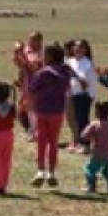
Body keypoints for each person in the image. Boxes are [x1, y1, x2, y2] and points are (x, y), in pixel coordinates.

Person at [25, 43, 72, 188]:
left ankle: (40, 170)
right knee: (53, 142)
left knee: (41, 141)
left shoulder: (43, 72)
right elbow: (67, 88)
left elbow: (32, 88)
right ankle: (51, 171)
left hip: (42, 110)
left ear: (50, 56)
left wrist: (31, 71)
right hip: (57, 111)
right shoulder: (65, 72)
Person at [81, 101, 108, 195]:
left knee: (89, 169)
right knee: (107, 170)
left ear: (98, 112)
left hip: (98, 154)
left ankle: (91, 185)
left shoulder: (95, 124)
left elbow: (84, 136)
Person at [66, 39, 97, 152]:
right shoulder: (69, 61)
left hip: (84, 95)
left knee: (82, 119)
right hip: (71, 94)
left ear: (85, 50)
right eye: (76, 46)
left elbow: (89, 81)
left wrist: (91, 95)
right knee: (74, 120)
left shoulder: (88, 63)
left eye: (81, 47)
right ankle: (77, 141)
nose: (78, 49)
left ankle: (86, 144)